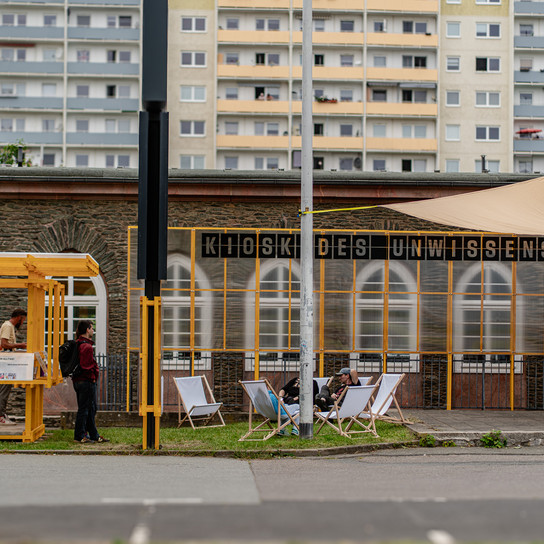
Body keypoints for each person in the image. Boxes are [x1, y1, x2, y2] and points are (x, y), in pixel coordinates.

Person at [72, 320, 109, 444]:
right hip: (86, 381)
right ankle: (80, 435)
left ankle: (93, 434)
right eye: (92, 328)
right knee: (85, 409)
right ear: (87, 330)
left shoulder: (78, 343)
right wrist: (93, 376)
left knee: (91, 408)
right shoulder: (86, 346)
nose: (93, 330)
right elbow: (86, 365)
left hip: (78, 380)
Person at [0, 308, 27, 425]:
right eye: (23, 320)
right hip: (5, 363)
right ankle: (1, 416)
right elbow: (4, 344)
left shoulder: (9, 326)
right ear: (19, 317)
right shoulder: (7, 326)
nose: (23, 322)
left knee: (5, 389)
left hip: (7, 362)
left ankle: (2, 413)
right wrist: (20, 345)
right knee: (4, 390)